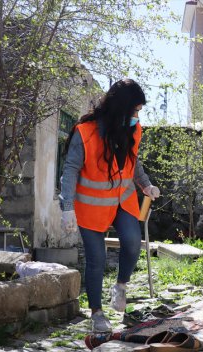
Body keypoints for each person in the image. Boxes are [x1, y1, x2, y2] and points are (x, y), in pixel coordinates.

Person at [59, 79, 160, 334]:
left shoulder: (133, 130)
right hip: (90, 207)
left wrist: (145, 185)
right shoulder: (85, 132)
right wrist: (67, 207)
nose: (137, 117)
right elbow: (70, 169)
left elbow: (134, 162)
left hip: (122, 200)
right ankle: (97, 314)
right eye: (135, 110)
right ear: (121, 107)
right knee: (97, 260)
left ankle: (120, 286)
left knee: (132, 242)